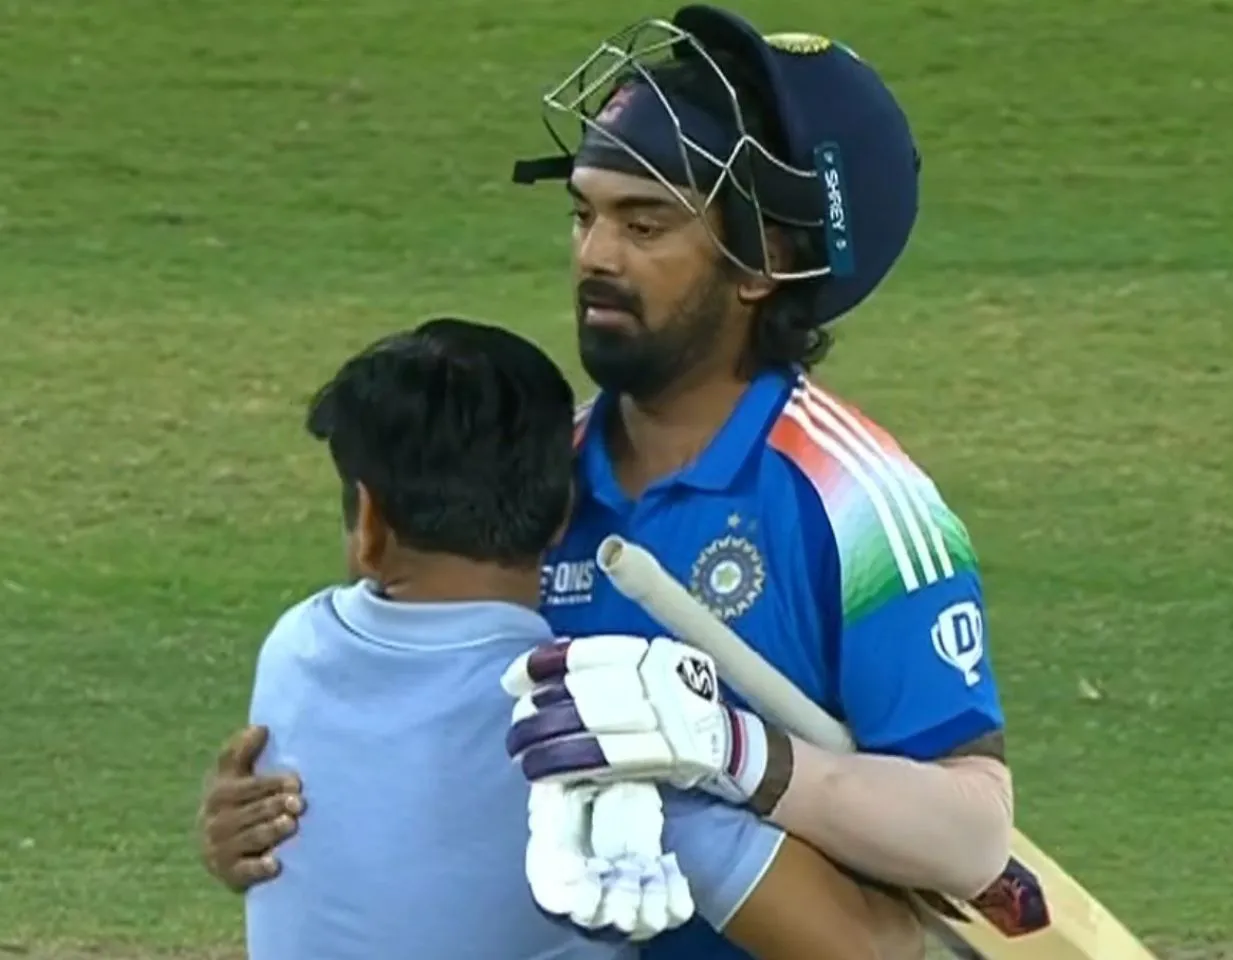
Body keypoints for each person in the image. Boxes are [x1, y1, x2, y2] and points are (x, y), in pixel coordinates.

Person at [199, 4, 1024, 958]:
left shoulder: (858, 506)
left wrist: (730, 751)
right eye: (583, 213)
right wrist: (271, 833)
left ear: (767, 261)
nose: (594, 254)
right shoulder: (528, 472)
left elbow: (971, 837)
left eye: (645, 223)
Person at [233, 315, 897, 960]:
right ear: (563, 517)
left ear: (370, 522)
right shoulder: (596, 730)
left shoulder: (294, 651)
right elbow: (865, 951)